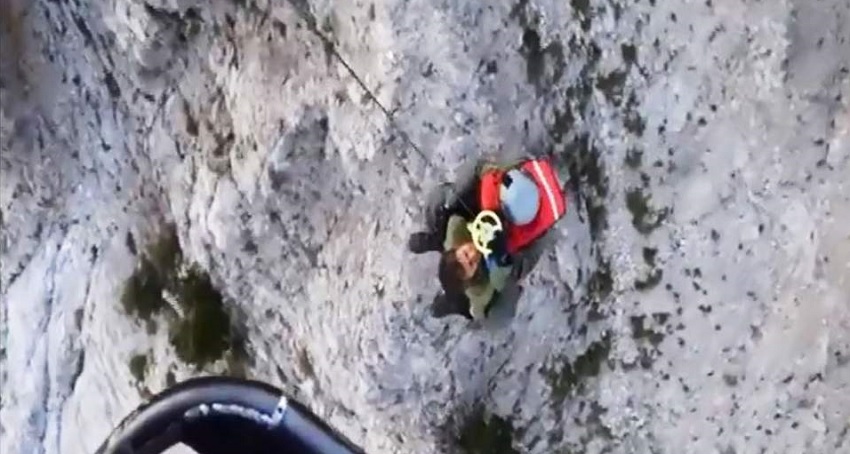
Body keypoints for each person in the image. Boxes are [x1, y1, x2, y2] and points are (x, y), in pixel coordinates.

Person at [408, 155, 567, 322]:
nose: (472, 253)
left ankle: (435, 241)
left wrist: (479, 183)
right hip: (493, 268)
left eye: (465, 253)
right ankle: (452, 304)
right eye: (471, 263)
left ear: (457, 247)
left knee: (445, 210)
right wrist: (500, 258)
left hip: (475, 222)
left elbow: (480, 167)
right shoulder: (481, 291)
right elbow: (502, 282)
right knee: (486, 309)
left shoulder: (455, 228)